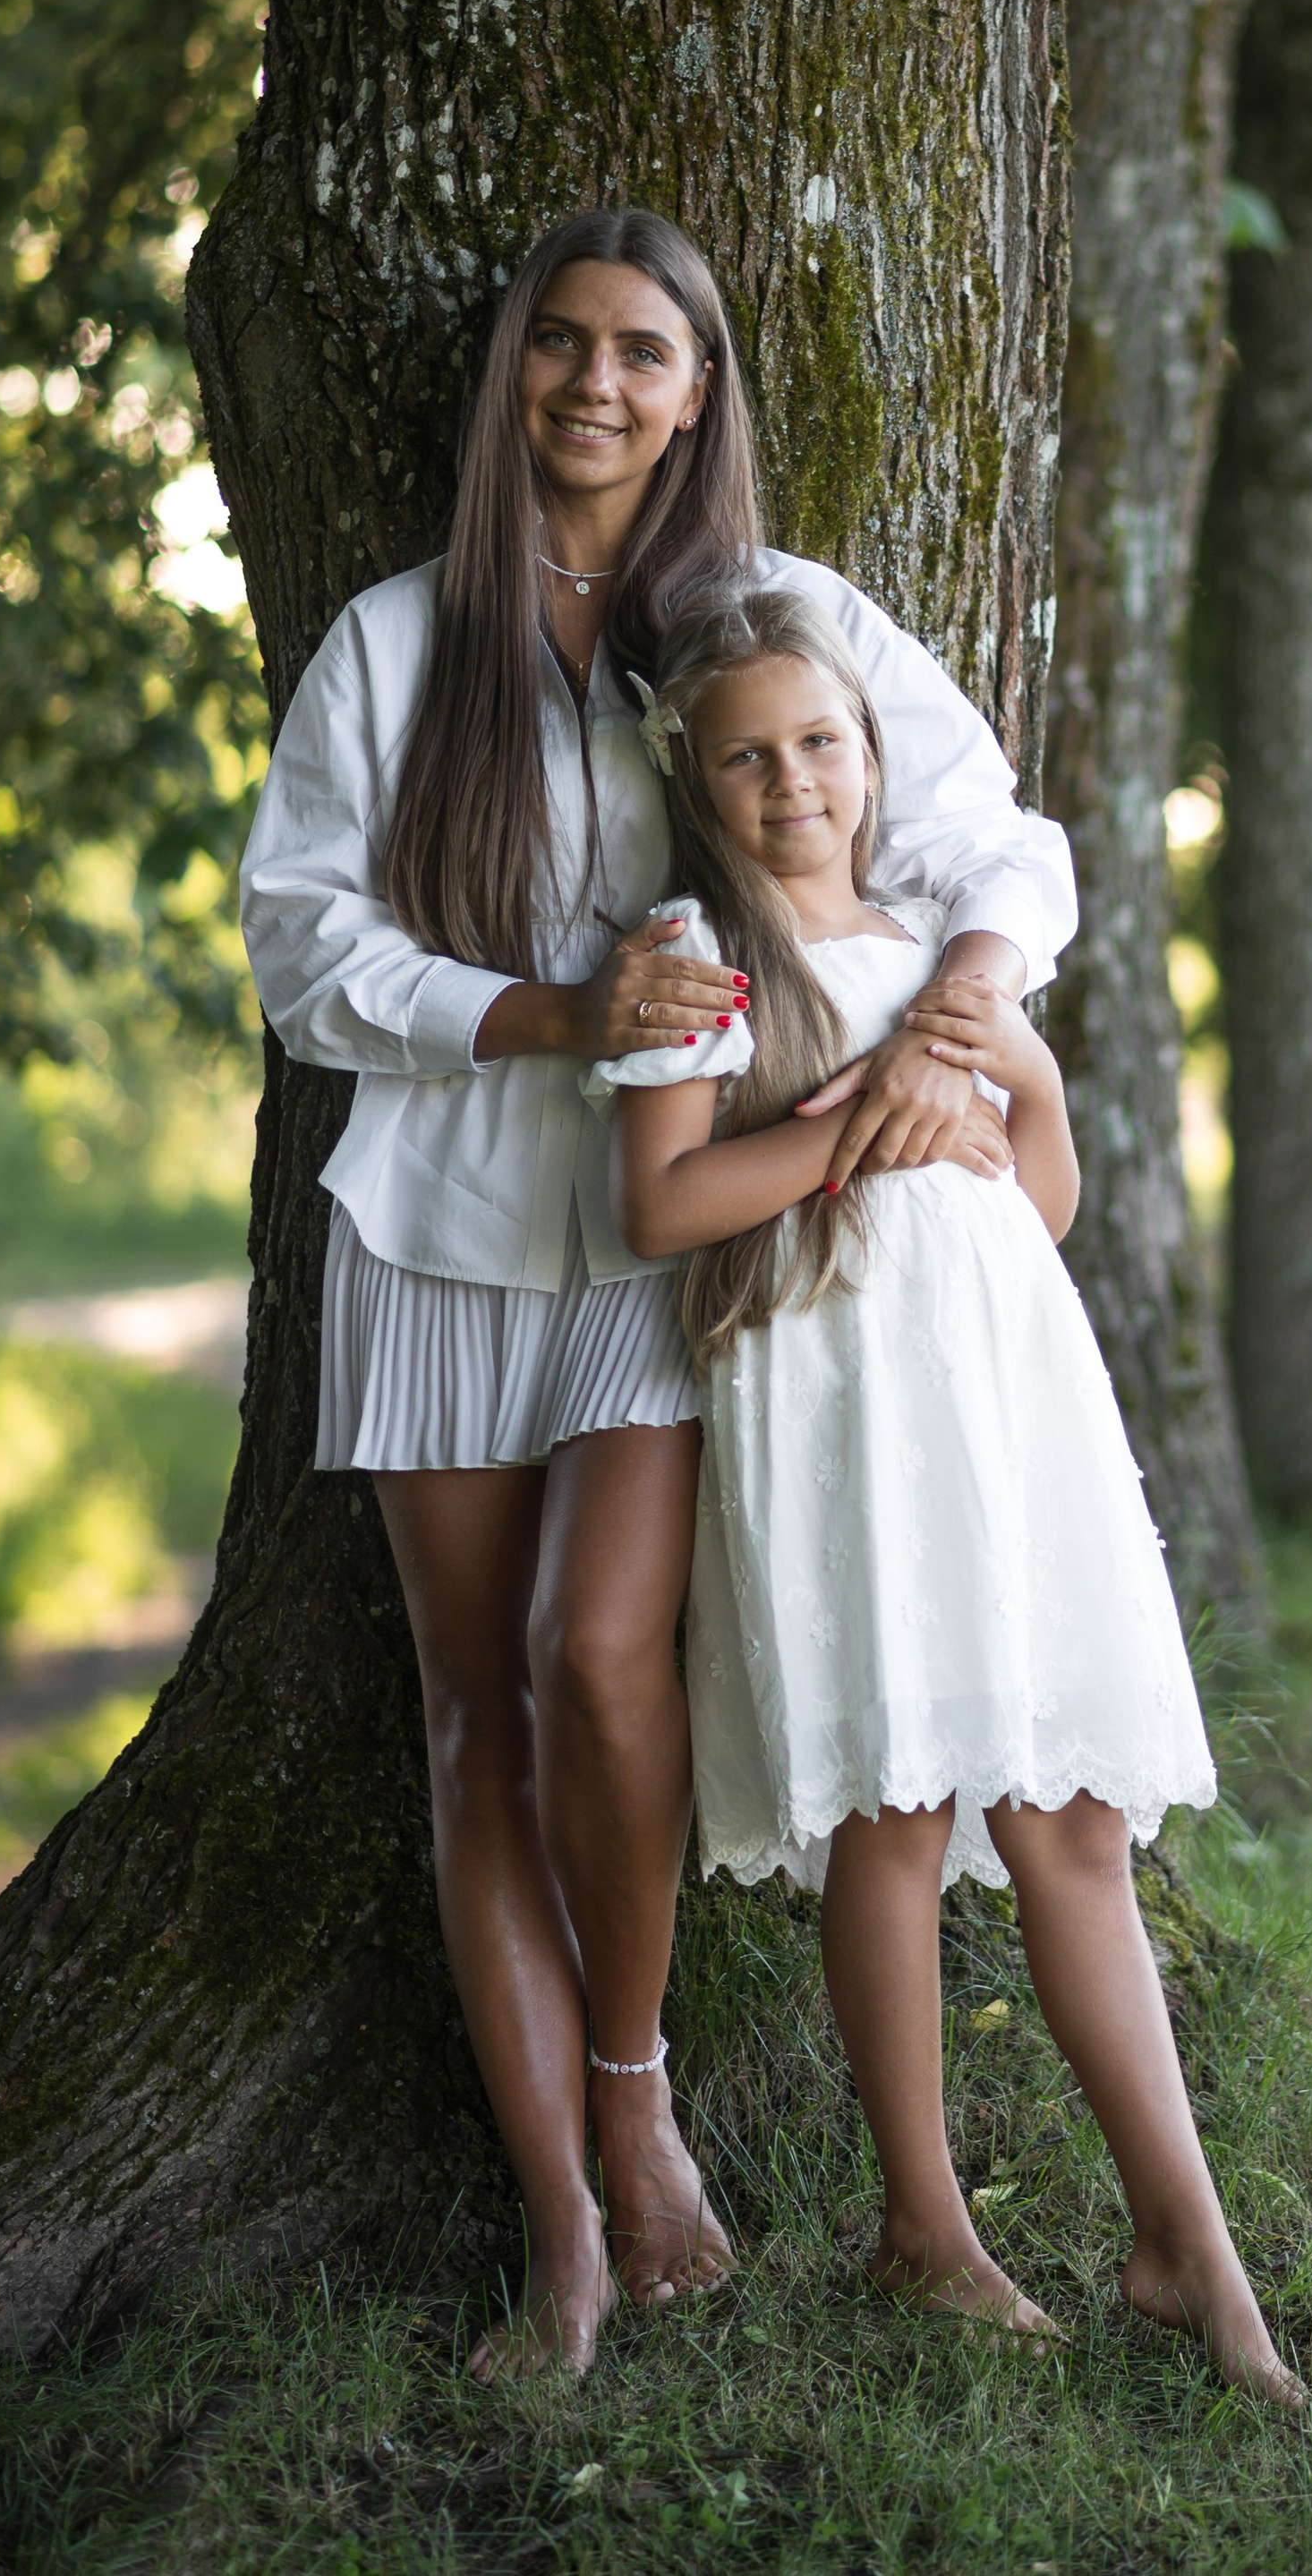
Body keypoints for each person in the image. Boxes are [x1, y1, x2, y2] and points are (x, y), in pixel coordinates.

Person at [238, 208, 1074, 2378]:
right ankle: (568, 2229)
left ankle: (634, 2080)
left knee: (600, 1665)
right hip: (434, 1220)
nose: (593, 385)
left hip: (670, 1240)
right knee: (475, 1717)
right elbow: (302, 946)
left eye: (640, 353)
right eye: (559, 344)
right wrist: (548, 1008)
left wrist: (959, 1018)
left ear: (697, 393)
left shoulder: (773, 627)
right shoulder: (398, 642)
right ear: (510, 369)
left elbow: (995, 835)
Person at [601, 584, 1304, 2408]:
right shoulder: (700, 947)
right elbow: (661, 1207)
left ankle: (1186, 2243)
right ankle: (923, 2224)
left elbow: (1028, 1199)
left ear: (872, 753)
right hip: (841, 1408)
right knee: (897, 1818)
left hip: (1004, 1400)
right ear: (696, 777)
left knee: (1072, 1815)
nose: (790, 783)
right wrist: (859, 1110)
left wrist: (1025, 1074)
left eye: (820, 744)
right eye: (747, 757)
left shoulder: (942, 938)